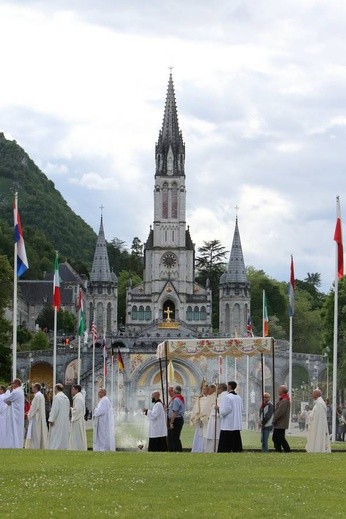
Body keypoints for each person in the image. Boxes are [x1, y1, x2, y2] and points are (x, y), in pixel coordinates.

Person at [217, 381, 243, 453]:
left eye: (228, 386)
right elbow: (241, 408)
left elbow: (225, 410)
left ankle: (225, 450)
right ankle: (236, 450)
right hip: (236, 422)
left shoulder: (227, 397)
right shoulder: (239, 397)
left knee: (226, 440)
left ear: (230, 386)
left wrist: (218, 409)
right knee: (235, 438)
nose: (227, 387)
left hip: (228, 422)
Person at [204, 383, 228, 453]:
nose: (216, 390)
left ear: (221, 389)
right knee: (212, 434)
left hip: (217, 418)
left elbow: (221, 407)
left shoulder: (224, 396)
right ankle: (211, 449)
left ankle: (214, 449)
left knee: (215, 435)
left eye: (218, 388)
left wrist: (215, 407)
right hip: (214, 417)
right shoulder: (221, 395)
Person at [306, 389, 331, 453]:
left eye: (313, 394)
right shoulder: (319, 403)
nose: (312, 395)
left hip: (318, 426)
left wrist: (311, 418)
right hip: (318, 425)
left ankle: (317, 448)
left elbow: (317, 417)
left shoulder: (319, 404)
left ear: (317, 395)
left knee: (318, 437)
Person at [25, 383, 48, 449]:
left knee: (35, 433)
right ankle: (38, 446)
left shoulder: (37, 396)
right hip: (39, 417)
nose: (32, 389)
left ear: (36, 388)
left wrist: (29, 414)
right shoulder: (41, 395)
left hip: (36, 417)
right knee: (38, 432)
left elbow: (34, 408)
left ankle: (34, 446)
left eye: (33, 387)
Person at [48, 383, 70, 450]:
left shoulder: (57, 397)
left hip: (57, 420)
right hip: (64, 420)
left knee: (56, 434)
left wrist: (51, 419)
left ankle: (55, 447)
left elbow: (55, 409)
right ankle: (63, 447)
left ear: (56, 389)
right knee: (63, 434)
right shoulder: (66, 398)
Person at [4, 378, 25, 448]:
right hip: (18, 413)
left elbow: (6, 399)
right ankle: (17, 444)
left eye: (13, 383)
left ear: (16, 384)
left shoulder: (16, 392)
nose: (12, 385)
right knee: (18, 430)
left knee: (13, 429)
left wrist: (7, 391)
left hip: (15, 414)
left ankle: (14, 445)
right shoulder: (21, 391)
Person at [190, 384, 209, 453]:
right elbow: (196, 409)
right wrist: (198, 416)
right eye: (203, 389)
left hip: (207, 420)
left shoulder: (210, 399)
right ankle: (198, 448)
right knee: (199, 434)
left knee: (206, 434)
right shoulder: (199, 399)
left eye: (206, 389)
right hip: (200, 419)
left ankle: (206, 448)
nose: (205, 391)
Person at [272, 385, 291, 452]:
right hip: (280, 422)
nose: (278, 390)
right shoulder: (283, 399)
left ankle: (286, 450)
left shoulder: (284, 400)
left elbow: (280, 411)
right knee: (277, 438)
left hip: (280, 423)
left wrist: (274, 419)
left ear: (282, 391)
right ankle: (279, 450)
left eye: (279, 389)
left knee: (279, 438)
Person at [69, 384, 87, 450]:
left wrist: (70, 409)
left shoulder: (78, 398)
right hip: (78, 418)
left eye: (73, 389)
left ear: (77, 390)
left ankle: (77, 447)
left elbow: (78, 410)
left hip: (77, 419)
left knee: (77, 435)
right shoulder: (78, 397)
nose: (72, 391)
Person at [168, 385, 185, 452]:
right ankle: (177, 450)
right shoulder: (180, 398)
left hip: (176, 420)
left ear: (174, 391)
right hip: (178, 419)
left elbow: (174, 412)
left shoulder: (176, 399)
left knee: (174, 437)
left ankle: (176, 450)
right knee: (175, 437)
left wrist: (171, 422)